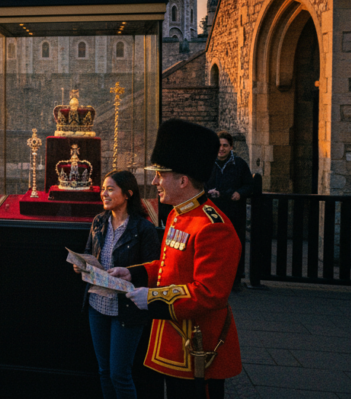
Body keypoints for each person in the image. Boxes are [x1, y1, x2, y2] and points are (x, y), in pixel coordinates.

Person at [109, 119, 243, 399]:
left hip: (197, 347)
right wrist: (134, 273)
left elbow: (210, 293)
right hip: (173, 339)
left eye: (160, 175)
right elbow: (172, 265)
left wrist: (153, 298)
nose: (155, 181)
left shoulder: (212, 226)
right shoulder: (178, 213)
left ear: (182, 180)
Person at [75, 170, 160, 399]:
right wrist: (82, 264)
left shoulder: (144, 229)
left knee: (119, 374)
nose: (104, 193)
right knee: (104, 371)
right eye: (103, 188)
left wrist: (131, 275)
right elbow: (88, 251)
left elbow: (154, 270)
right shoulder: (99, 221)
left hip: (126, 309)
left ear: (128, 194)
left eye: (110, 189)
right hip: (97, 305)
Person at [205, 131, 253, 291]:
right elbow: (200, 185)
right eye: (219, 145)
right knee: (214, 247)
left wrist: (240, 193)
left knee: (234, 246)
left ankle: (236, 279)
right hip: (213, 214)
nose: (221, 149)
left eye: (225, 145)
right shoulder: (208, 163)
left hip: (234, 213)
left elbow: (249, 185)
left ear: (231, 146)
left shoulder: (239, 164)